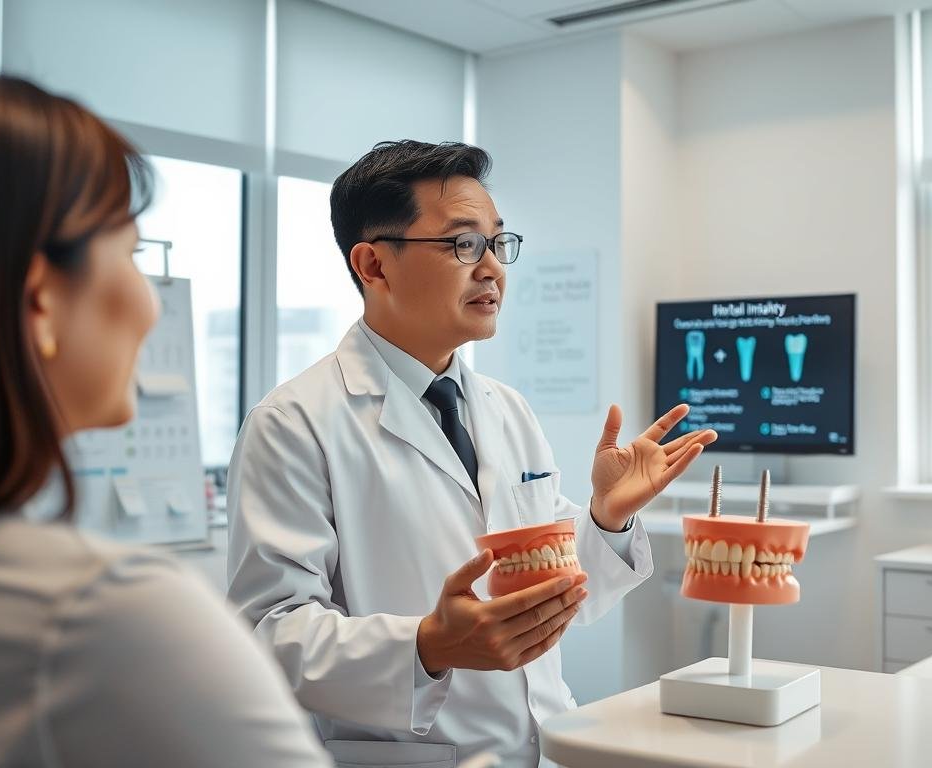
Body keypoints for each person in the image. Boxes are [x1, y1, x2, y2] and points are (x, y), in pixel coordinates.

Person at [226, 140, 717, 766]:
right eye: (463, 243)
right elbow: (269, 634)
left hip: (544, 746)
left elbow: (550, 590)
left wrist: (604, 518)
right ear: (374, 265)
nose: (493, 268)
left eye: (498, 242)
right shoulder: (294, 423)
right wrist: (428, 645)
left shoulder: (504, 408)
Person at [0, 73, 330, 767]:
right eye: (132, 255)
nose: (151, 305)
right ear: (41, 301)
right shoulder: (103, 613)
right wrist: (425, 645)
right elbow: (280, 626)